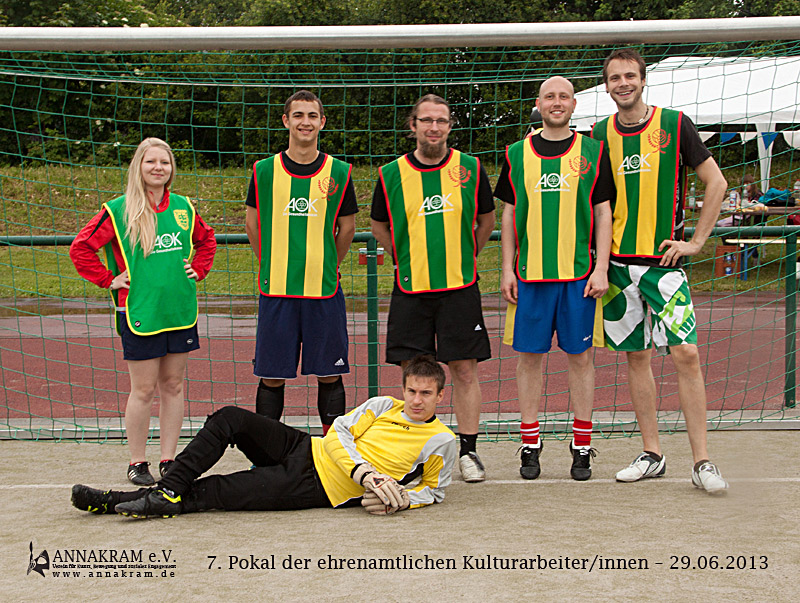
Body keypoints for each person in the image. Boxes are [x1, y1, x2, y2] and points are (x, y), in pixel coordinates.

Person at [70, 355, 456, 517]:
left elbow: (434, 490)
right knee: (230, 418)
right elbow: (337, 434)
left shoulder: (441, 440)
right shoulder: (382, 405)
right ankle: (168, 490)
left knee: (216, 491)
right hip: (305, 447)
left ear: (440, 396)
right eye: (411, 390)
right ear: (403, 388)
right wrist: (365, 473)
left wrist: (402, 499)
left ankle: (113, 501)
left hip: (318, 487)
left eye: (426, 393)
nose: (416, 400)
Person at [592, 48, 729, 493]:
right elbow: (596, 203)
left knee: (686, 353)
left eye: (629, 76)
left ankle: (702, 461)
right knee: (637, 357)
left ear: (643, 80)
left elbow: (717, 182)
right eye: (615, 78)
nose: (623, 83)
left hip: (664, 265)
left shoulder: (674, 124)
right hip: (619, 267)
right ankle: (652, 453)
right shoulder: (598, 135)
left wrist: (697, 242)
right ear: (607, 85)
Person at [69, 137, 217, 486]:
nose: (158, 168)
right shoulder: (118, 210)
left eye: (164, 162)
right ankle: (137, 462)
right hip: (140, 311)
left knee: (173, 385)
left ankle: (169, 459)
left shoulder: (183, 207)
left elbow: (207, 240)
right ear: (139, 166)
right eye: (151, 161)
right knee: (144, 390)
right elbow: (81, 248)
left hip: (178, 310)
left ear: (171, 168)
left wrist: (199, 269)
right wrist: (108, 279)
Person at [371, 94, 495, 483]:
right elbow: (379, 225)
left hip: (459, 287)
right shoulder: (390, 174)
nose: (434, 127)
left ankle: (468, 451)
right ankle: (418, 449)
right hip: (412, 289)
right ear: (413, 126)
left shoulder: (470, 169)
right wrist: (403, 257)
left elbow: (487, 220)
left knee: (464, 369)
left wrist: (465, 256)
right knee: (415, 375)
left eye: (441, 120)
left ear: (450, 126)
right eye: (426, 120)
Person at [495, 77, 613, 481]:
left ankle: (582, 445)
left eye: (564, 96)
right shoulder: (516, 153)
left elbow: (602, 211)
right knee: (529, 359)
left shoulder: (593, 151)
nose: (557, 102)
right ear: (539, 104)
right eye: (550, 96)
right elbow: (509, 214)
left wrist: (601, 267)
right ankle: (531, 443)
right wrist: (507, 268)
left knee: (581, 359)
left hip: (579, 276)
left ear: (574, 104)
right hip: (530, 277)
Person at [244, 91, 357, 434]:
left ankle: (331, 447)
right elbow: (252, 224)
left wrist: (327, 262)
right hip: (277, 289)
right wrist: (271, 261)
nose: (305, 122)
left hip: (323, 289)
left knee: (329, 372)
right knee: (272, 375)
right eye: (298, 115)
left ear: (322, 122)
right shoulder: (264, 171)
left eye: (311, 116)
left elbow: (347, 228)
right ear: (286, 121)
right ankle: (267, 450)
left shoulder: (339, 172)